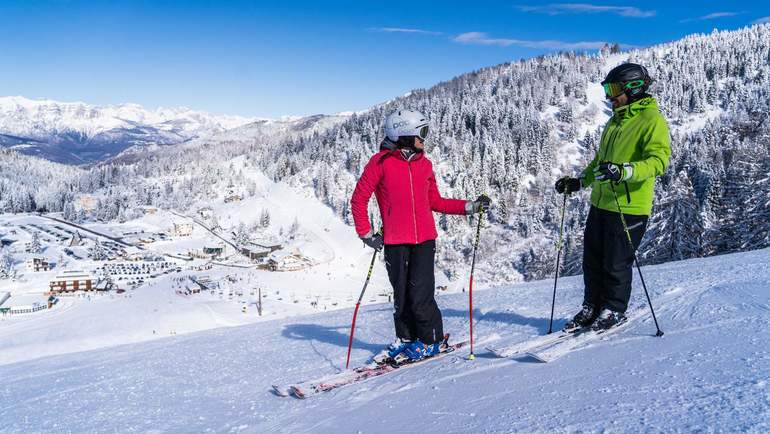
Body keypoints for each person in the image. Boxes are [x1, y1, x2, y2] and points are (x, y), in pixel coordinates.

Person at [350, 109, 490, 361]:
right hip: (395, 241)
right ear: (404, 135)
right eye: (421, 133)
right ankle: (406, 338)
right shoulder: (380, 163)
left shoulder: (425, 165)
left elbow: (436, 202)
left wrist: (470, 207)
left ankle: (431, 340)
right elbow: (359, 199)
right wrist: (366, 233)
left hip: (424, 240)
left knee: (420, 294)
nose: (425, 138)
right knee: (401, 295)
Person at [555, 63, 671, 331]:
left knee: (616, 263)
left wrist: (624, 171)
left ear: (634, 88)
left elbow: (658, 161)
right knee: (592, 260)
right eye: (608, 89)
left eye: (614, 89)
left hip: (630, 206)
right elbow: (601, 160)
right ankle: (592, 305)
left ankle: (614, 309)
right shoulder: (615, 120)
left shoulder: (651, 120)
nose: (610, 96)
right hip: (601, 202)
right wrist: (580, 181)